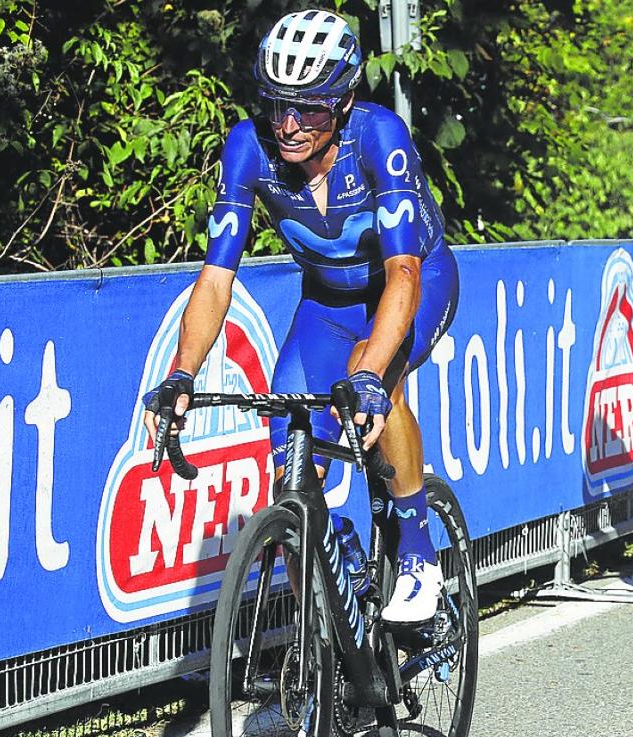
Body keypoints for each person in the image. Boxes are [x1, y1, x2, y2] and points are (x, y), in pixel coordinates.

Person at [141, 9, 457, 624]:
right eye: (277, 104)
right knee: (291, 463)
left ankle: (418, 553)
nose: (288, 125)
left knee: (377, 382)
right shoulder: (248, 147)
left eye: (308, 108)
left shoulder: (378, 139)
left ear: (341, 101)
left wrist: (368, 371)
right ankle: (331, 628)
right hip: (328, 303)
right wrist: (183, 374)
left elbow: (404, 275)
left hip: (414, 283)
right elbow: (215, 277)